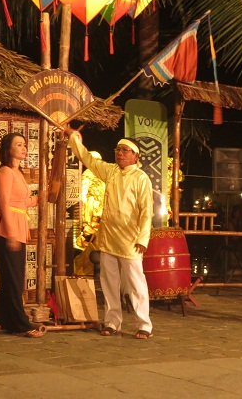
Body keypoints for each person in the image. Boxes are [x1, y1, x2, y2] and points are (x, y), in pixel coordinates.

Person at [64, 125, 154, 339]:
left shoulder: (141, 178)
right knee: (109, 283)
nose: (120, 153)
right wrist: (72, 137)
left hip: (130, 240)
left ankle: (144, 324)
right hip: (108, 237)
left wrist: (143, 238)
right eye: (118, 150)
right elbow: (87, 158)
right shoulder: (111, 171)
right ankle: (112, 322)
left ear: (135, 156)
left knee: (135, 284)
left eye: (125, 150)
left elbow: (146, 212)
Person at [0, 133, 43, 337]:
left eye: (24, 145)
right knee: (14, 279)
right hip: (7, 227)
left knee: (10, 277)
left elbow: (21, 201)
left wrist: (39, 198)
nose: (24, 148)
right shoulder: (5, 171)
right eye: (19, 145)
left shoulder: (17, 172)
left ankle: (1, 319)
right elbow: (4, 203)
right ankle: (21, 324)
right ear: (8, 149)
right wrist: (11, 233)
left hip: (18, 225)